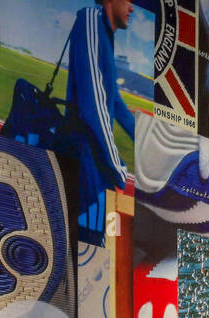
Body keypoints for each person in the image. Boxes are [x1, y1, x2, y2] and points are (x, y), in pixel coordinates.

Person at [65, 0, 136, 245]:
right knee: (91, 241)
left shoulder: (106, 36)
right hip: (86, 159)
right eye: (128, 1)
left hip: (97, 162)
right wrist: (117, 168)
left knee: (100, 241)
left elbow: (114, 102)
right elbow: (93, 105)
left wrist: (146, 141)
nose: (132, 8)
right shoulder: (90, 19)